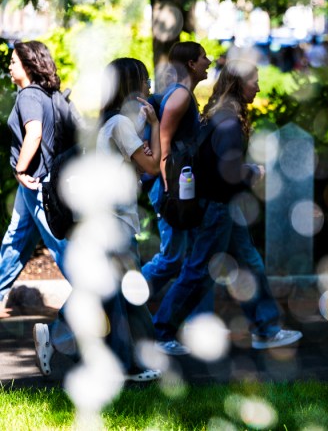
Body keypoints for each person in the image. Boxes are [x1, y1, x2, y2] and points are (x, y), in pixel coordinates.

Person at [151, 61, 302, 355]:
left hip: (221, 206)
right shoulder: (230, 121)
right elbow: (227, 172)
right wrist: (253, 173)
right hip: (217, 209)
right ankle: (160, 332)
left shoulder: (218, 114)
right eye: (253, 81)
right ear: (239, 83)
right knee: (197, 272)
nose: (258, 87)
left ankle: (266, 329)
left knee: (250, 264)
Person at [33, 58, 162, 381]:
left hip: (106, 220)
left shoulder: (109, 124)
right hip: (114, 222)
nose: (148, 87)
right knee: (113, 294)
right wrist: (157, 125)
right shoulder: (119, 124)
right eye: (145, 81)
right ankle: (66, 336)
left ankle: (132, 361)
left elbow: (130, 169)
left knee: (118, 297)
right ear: (132, 86)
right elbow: (152, 166)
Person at [140, 42, 213, 320]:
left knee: (192, 256)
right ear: (192, 64)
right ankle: (124, 300)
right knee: (171, 259)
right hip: (170, 184)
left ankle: (195, 322)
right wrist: (170, 191)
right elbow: (164, 141)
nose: (209, 61)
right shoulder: (181, 95)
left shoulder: (182, 94)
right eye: (204, 57)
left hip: (176, 183)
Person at [0, 41, 69, 303]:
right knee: (15, 239)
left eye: (14, 61)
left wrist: (20, 169)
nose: (9, 64)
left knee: (60, 245)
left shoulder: (28, 95)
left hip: (35, 181)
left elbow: (34, 133)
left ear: (29, 65)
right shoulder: (48, 94)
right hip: (39, 182)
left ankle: (95, 296)